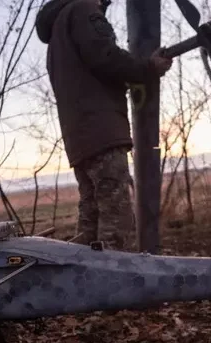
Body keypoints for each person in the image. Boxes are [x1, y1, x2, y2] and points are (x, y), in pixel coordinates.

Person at [35, 0, 172, 251]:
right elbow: (105, 56)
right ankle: (111, 286)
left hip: (80, 140)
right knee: (116, 222)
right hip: (102, 133)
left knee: (90, 224)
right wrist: (147, 67)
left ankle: (77, 282)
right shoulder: (83, 10)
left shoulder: (59, 30)